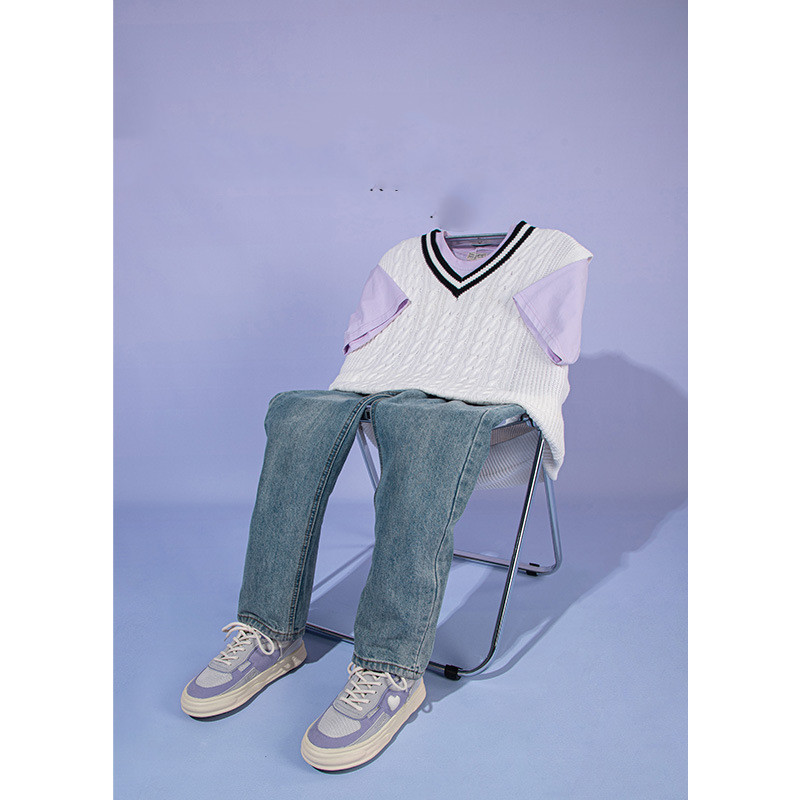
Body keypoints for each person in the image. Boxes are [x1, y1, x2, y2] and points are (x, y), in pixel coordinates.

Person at [180, 221, 592, 771]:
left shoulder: (555, 253)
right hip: (381, 378)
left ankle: (389, 668)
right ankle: (269, 631)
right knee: (297, 412)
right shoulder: (403, 257)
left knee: (428, 428)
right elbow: (364, 345)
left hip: (496, 391)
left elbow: (549, 353)